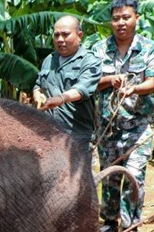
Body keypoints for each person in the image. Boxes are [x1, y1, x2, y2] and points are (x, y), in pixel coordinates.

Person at [91, 0, 154, 232]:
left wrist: (134, 88)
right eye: (116, 18)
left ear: (136, 19)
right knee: (110, 176)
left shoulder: (149, 47)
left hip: (138, 126)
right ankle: (109, 221)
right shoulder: (99, 49)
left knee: (134, 176)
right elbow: (90, 82)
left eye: (126, 17)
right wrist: (110, 79)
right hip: (108, 127)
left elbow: (153, 82)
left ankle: (131, 227)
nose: (121, 23)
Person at [33, 15, 102, 147]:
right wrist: (37, 93)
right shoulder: (49, 59)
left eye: (65, 34)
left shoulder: (89, 60)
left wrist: (61, 98)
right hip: (47, 134)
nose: (60, 39)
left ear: (79, 35)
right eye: (56, 35)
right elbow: (38, 84)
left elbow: (82, 89)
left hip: (76, 136)